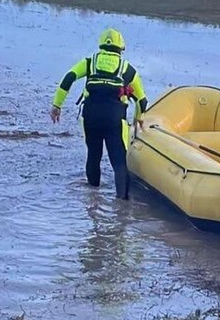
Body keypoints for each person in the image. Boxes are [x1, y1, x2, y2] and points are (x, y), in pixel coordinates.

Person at [50, 28, 148, 199]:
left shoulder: (90, 62)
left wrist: (56, 105)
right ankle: (122, 206)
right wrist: (137, 119)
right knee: (118, 161)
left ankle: (92, 199)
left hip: (91, 116)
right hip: (114, 119)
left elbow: (68, 77)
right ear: (121, 48)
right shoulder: (128, 69)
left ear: (101, 45)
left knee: (94, 155)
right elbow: (142, 101)